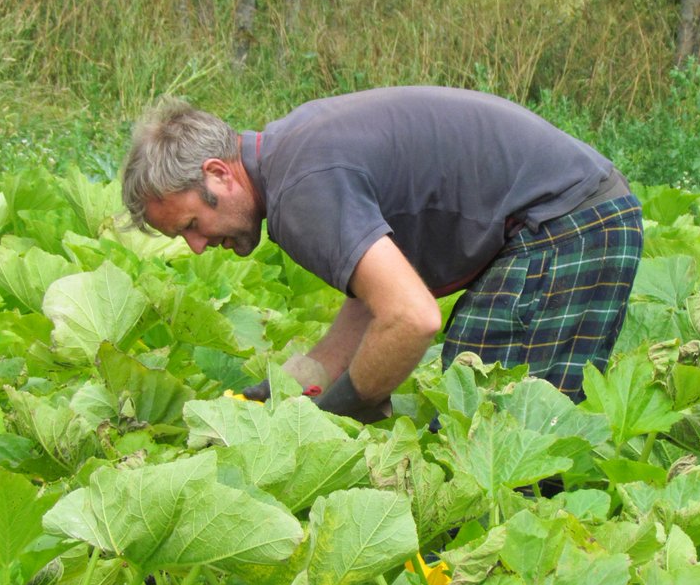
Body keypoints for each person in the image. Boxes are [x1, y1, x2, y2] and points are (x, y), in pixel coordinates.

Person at [120, 86, 644, 423]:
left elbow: (411, 317)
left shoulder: (302, 187)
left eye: (192, 224)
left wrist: (348, 405)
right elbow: (372, 306)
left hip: (569, 223)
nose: (196, 245)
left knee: (492, 421)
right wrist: (286, 391)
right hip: (577, 213)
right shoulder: (289, 154)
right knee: (487, 411)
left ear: (218, 173)